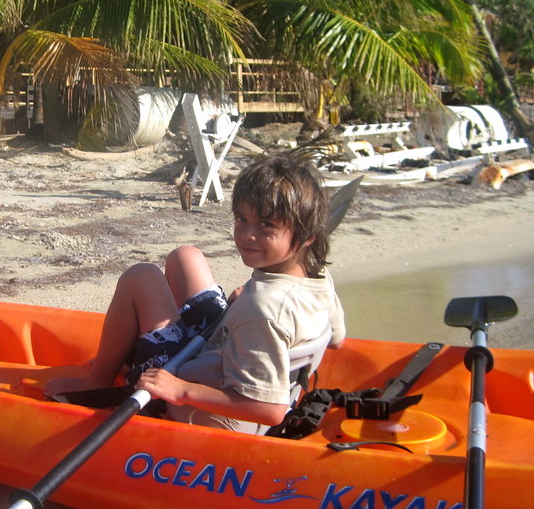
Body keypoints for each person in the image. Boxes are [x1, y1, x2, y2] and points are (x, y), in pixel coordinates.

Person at [45, 153, 345, 434]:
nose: (246, 235)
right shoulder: (316, 277)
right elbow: (336, 339)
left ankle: (98, 380)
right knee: (185, 256)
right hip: (217, 352)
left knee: (141, 277)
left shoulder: (264, 309)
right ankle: (132, 350)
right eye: (241, 219)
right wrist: (244, 312)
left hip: (196, 400)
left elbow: (270, 410)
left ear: (306, 237)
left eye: (266, 225)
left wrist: (178, 389)